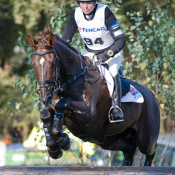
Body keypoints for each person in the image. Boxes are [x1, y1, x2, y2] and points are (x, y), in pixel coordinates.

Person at [62, 0, 126, 123]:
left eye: (89, 3)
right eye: (82, 3)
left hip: (110, 51)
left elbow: (120, 40)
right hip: (89, 52)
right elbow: (65, 41)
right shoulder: (75, 14)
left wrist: (107, 55)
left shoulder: (104, 12)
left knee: (112, 73)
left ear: (95, 2)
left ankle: (116, 108)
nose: (85, 6)